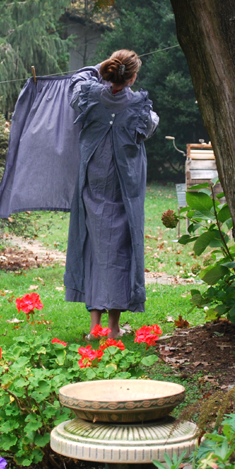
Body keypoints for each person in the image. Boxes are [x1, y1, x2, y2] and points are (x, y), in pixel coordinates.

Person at [64, 49, 159, 337]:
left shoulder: (88, 95)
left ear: (106, 70)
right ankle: (114, 327)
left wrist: (101, 68)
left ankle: (95, 328)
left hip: (94, 179)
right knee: (120, 248)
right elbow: (151, 126)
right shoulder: (141, 108)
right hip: (124, 187)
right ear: (132, 78)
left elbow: (75, 81)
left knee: (93, 244)